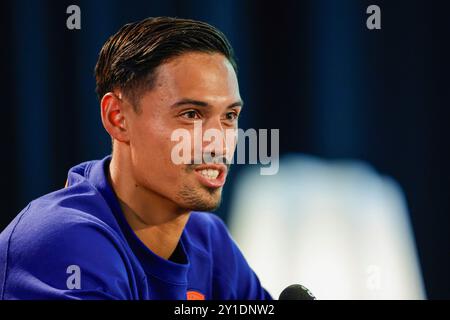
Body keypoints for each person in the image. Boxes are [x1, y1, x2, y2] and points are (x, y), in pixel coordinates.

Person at [0, 17, 272, 300]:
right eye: (191, 114)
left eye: (229, 117)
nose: (219, 141)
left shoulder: (207, 237)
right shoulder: (63, 241)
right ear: (117, 118)